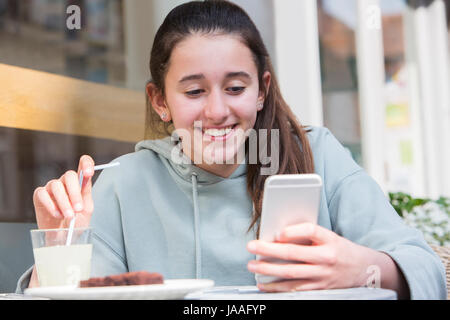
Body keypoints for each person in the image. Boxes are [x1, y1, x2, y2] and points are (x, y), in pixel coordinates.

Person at [16, 0, 446, 299]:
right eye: (195, 91)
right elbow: (74, 297)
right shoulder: (123, 183)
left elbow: (427, 273)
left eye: (236, 87)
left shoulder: (317, 154)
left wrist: (365, 268)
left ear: (262, 91)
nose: (217, 110)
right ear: (160, 101)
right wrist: (59, 243)